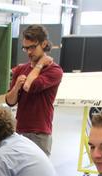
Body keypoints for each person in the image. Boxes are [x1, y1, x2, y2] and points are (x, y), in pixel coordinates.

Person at [4, 25, 63, 156]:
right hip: (19, 130)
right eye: (26, 48)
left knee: (38, 169)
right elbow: (10, 101)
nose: (29, 52)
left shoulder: (54, 70)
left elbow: (29, 86)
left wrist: (40, 64)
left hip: (40, 133)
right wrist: (16, 87)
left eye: (32, 47)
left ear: (44, 44)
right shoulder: (20, 69)